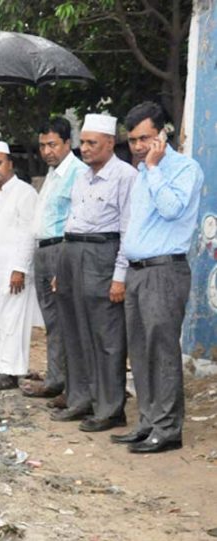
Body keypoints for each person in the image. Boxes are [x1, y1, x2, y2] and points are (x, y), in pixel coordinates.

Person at [112, 102, 203, 453]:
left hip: (165, 271)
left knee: (162, 350)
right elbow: (133, 228)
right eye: (133, 140)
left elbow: (172, 209)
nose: (137, 146)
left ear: (162, 134)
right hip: (137, 273)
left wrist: (152, 169)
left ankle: (167, 429)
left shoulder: (184, 169)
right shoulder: (142, 174)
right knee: (140, 351)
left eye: (144, 138)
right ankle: (148, 421)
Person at [52, 114, 136, 432]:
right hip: (72, 253)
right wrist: (63, 267)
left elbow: (128, 230)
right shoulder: (82, 176)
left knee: (106, 335)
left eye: (92, 143)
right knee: (73, 330)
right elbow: (72, 220)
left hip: (103, 254)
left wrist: (119, 276)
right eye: (82, 142)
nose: (84, 149)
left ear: (111, 143)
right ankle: (80, 399)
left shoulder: (125, 176)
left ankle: (111, 408)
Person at [22, 117, 89, 407]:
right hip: (43, 250)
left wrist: (64, 263)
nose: (47, 151)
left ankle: (72, 388)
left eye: (52, 145)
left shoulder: (78, 172)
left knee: (67, 321)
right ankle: (56, 380)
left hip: (61, 250)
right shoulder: (53, 173)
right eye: (42, 146)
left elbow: (77, 220)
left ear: (67, 143)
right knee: (53, 322)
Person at [0, 141, 42, 390]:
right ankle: (2, 368)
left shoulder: (25, 193)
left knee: (13, 322)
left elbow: (29, 234)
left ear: (10, 163)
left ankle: (14, 371)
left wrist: (20, 268)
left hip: (14, 272)